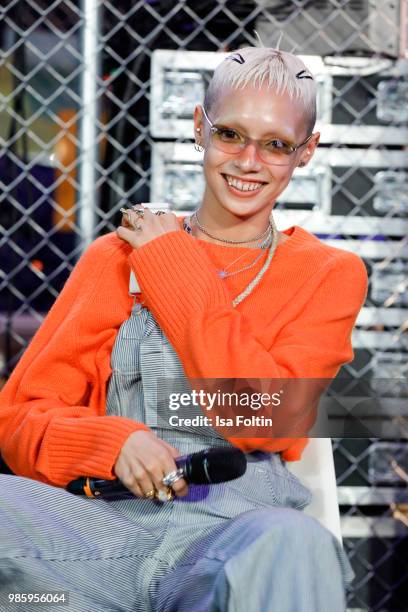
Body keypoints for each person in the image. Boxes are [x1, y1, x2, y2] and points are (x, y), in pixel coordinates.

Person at [0, 46, 368, 611]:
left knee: (297, 542)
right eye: (230, 134)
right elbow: (20, 418)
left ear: (307, 151)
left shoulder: (328, 275)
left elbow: (266, 420)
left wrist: (171, 262)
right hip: (98, 531)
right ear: (200, 127)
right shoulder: (114, 258)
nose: (249, 160)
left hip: (232, 535)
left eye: (275, 144)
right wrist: (112, 441)